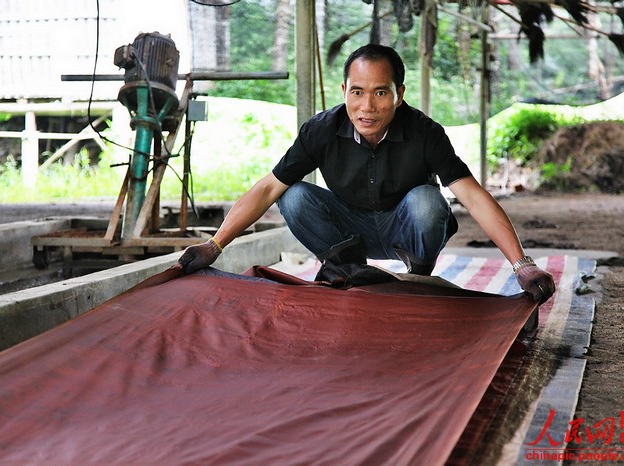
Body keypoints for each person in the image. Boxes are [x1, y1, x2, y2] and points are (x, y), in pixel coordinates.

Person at [174, 44, 555, 303]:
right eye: (357, 92)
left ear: (399, 93)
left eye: (380, 93)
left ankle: (417, 279)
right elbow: (267, 188)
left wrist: (522, 265)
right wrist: (215, 244)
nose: (366, 107)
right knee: (292, 194)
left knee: (427, 200)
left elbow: (473, 195)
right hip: (349, 232)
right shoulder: (320, 130)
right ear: (344, 90)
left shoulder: (425, 133)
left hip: (404, 232)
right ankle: (351, 271)